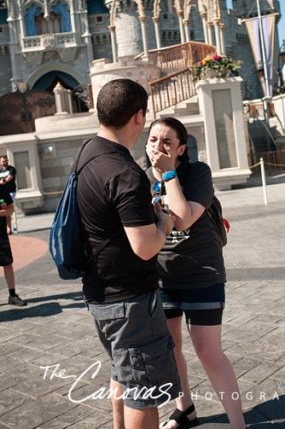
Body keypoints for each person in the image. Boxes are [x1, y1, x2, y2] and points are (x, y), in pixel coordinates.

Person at [77, 78, 180, 429]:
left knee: (122, 376)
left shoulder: (88, 153)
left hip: (99, 292)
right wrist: (163, 224)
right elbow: (145, 247)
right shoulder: (124, 172)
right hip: (130, 301)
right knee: (143, 392)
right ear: (139, 117)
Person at [146, 117, 244, 429]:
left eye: (167, 142)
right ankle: (184, 408)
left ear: (181, 148)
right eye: (152, 140)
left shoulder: (197, 172)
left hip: (202, 273)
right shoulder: (137, 175)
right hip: (162, 276)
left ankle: (238, 424)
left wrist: (169, 173)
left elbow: (184, 218)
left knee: (207, 350)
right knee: (170, 348)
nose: (158, 147)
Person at [0, 196, 26, 306]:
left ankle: (12, 295)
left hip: (1, 235)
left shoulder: (2, 189)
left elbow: (11, 209)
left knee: (8, 264)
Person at [0, 155, 17, 234]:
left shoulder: (12, 169)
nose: (5, 162)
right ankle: (8, 228)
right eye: (3, 161)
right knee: (5, 210)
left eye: (6, 161)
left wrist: (3, 181)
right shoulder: (0, 171)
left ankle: (12, 228)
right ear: (0, 162)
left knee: (10, 210)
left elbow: (7, 179)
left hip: (11, 192)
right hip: (2, 194)